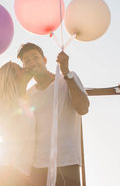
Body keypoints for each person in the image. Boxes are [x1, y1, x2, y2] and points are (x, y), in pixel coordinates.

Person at [17, 43, 90, 186]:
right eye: (27, 61)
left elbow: (83, 108)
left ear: (44, 60)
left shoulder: (67, 78)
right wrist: (21, 88)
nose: (32, 62)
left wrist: (66, 71)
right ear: (25, 66)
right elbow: (22, 126)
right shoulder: (29, 94)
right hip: (37, 165)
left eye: (35, 57)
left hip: (66, 161)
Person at [0, 61, 35, 186]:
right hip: (9, 171)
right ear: (13, 78)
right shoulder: (7, 104)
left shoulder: (26, 99)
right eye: (19, 68)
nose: (24, 68)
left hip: (22, 172)